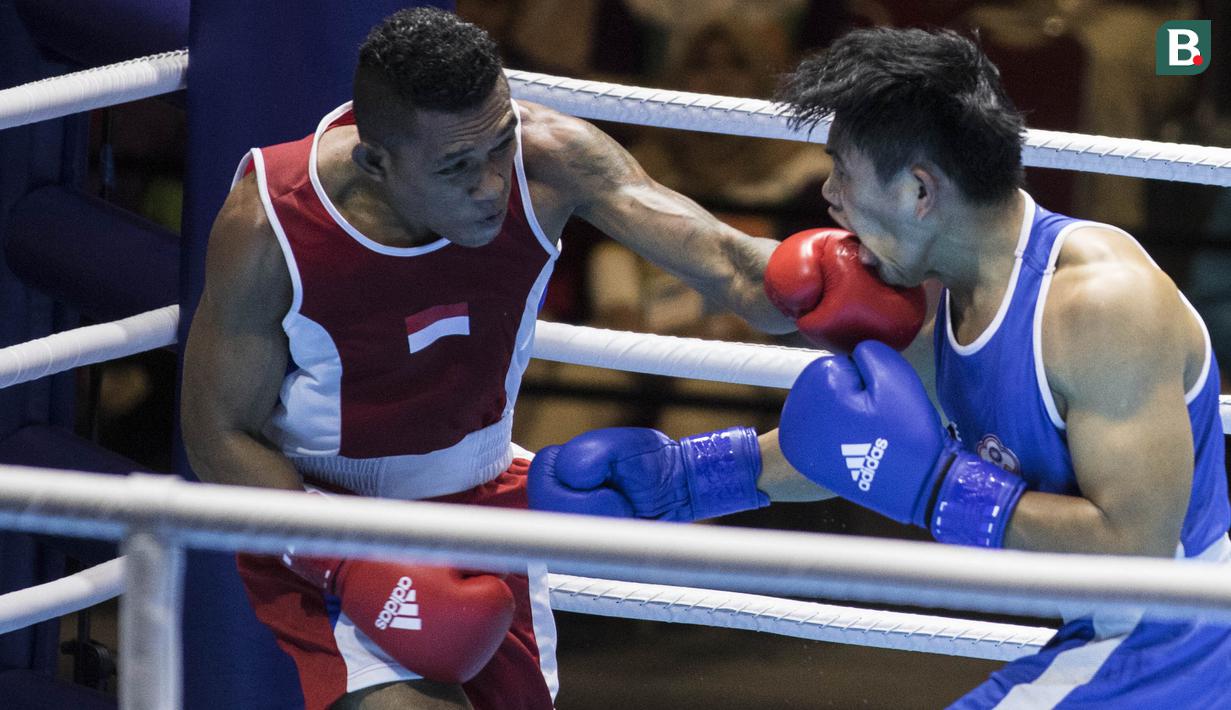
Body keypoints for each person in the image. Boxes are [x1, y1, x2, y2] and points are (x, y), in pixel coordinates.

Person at [178, 7, 925, 709]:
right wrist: (337, 556)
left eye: (498, 142)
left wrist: (842, 276)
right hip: (326, 517)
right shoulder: (272, 218)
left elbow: (732, 269)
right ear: (375, 161)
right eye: (455, 167)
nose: (491, 184)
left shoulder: (550, 157)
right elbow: (218, 430)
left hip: (486, 496)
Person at [529, 27, 1231, 708]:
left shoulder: (1099, 305)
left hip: (1176, 637)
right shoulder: (948, 294)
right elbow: (861, 445)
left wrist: (937, 490)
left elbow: (1133, 550)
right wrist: (683, 483)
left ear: (919, 192)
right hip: (1111, 634)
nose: (829, 195)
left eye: (844, 169)